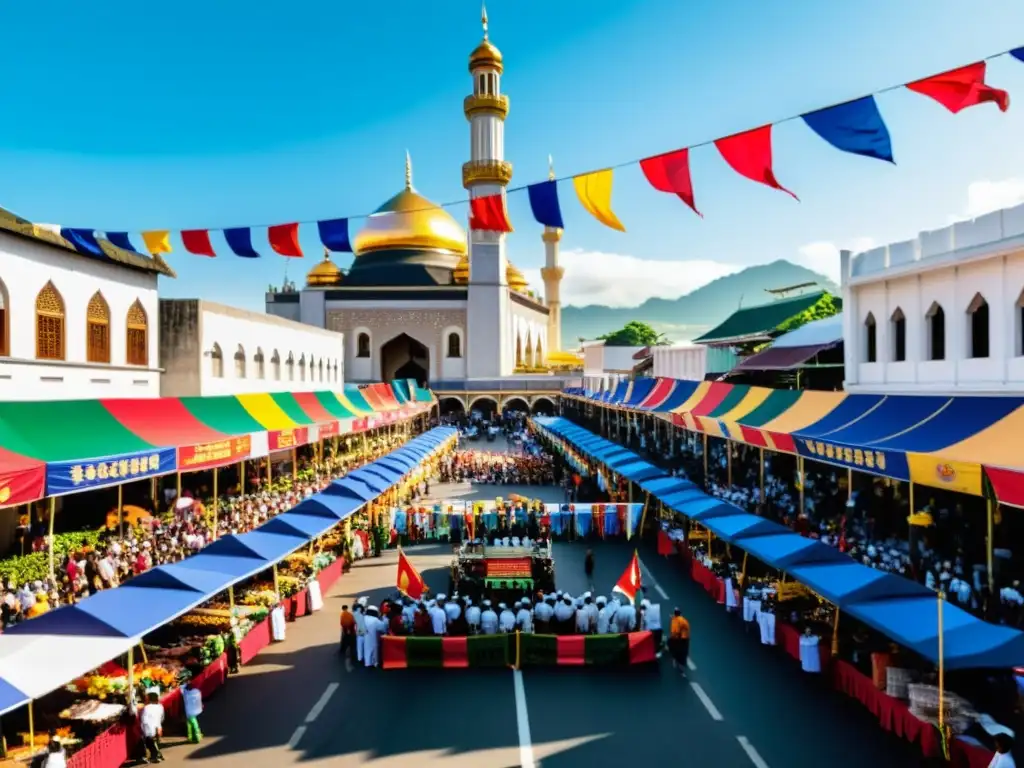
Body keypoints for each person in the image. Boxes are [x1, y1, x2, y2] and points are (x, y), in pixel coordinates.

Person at [138, 689, 165, 763]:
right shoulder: (160, 706)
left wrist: (142, 729)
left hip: (149, 728)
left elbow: (144, 720)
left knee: (150, 743)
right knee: (154, 743)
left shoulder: (146, 708)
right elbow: (162, 717)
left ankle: (156, 756)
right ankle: (157, 755)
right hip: (157, 727)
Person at [668, 608, 691, 675]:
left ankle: (675, 660)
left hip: (679, 639)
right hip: (685, 639)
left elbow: (676, 632)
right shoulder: (683, 620)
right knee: (684, 652)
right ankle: (682, 664)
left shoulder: (675, 621)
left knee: (674, 648)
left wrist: (673, 637)